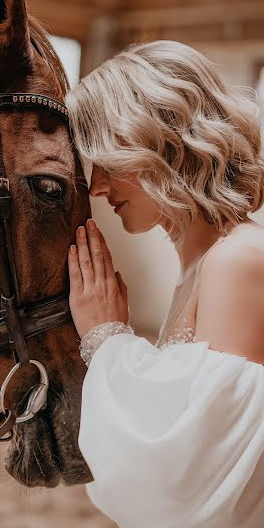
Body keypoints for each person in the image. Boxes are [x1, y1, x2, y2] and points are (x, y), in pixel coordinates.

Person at [65, 40, 264, 528]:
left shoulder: (237, 262)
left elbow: (192, 479)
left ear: (161, 143)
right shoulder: (205, 266)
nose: (97, 188)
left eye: (108, 162)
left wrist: (106, 337)